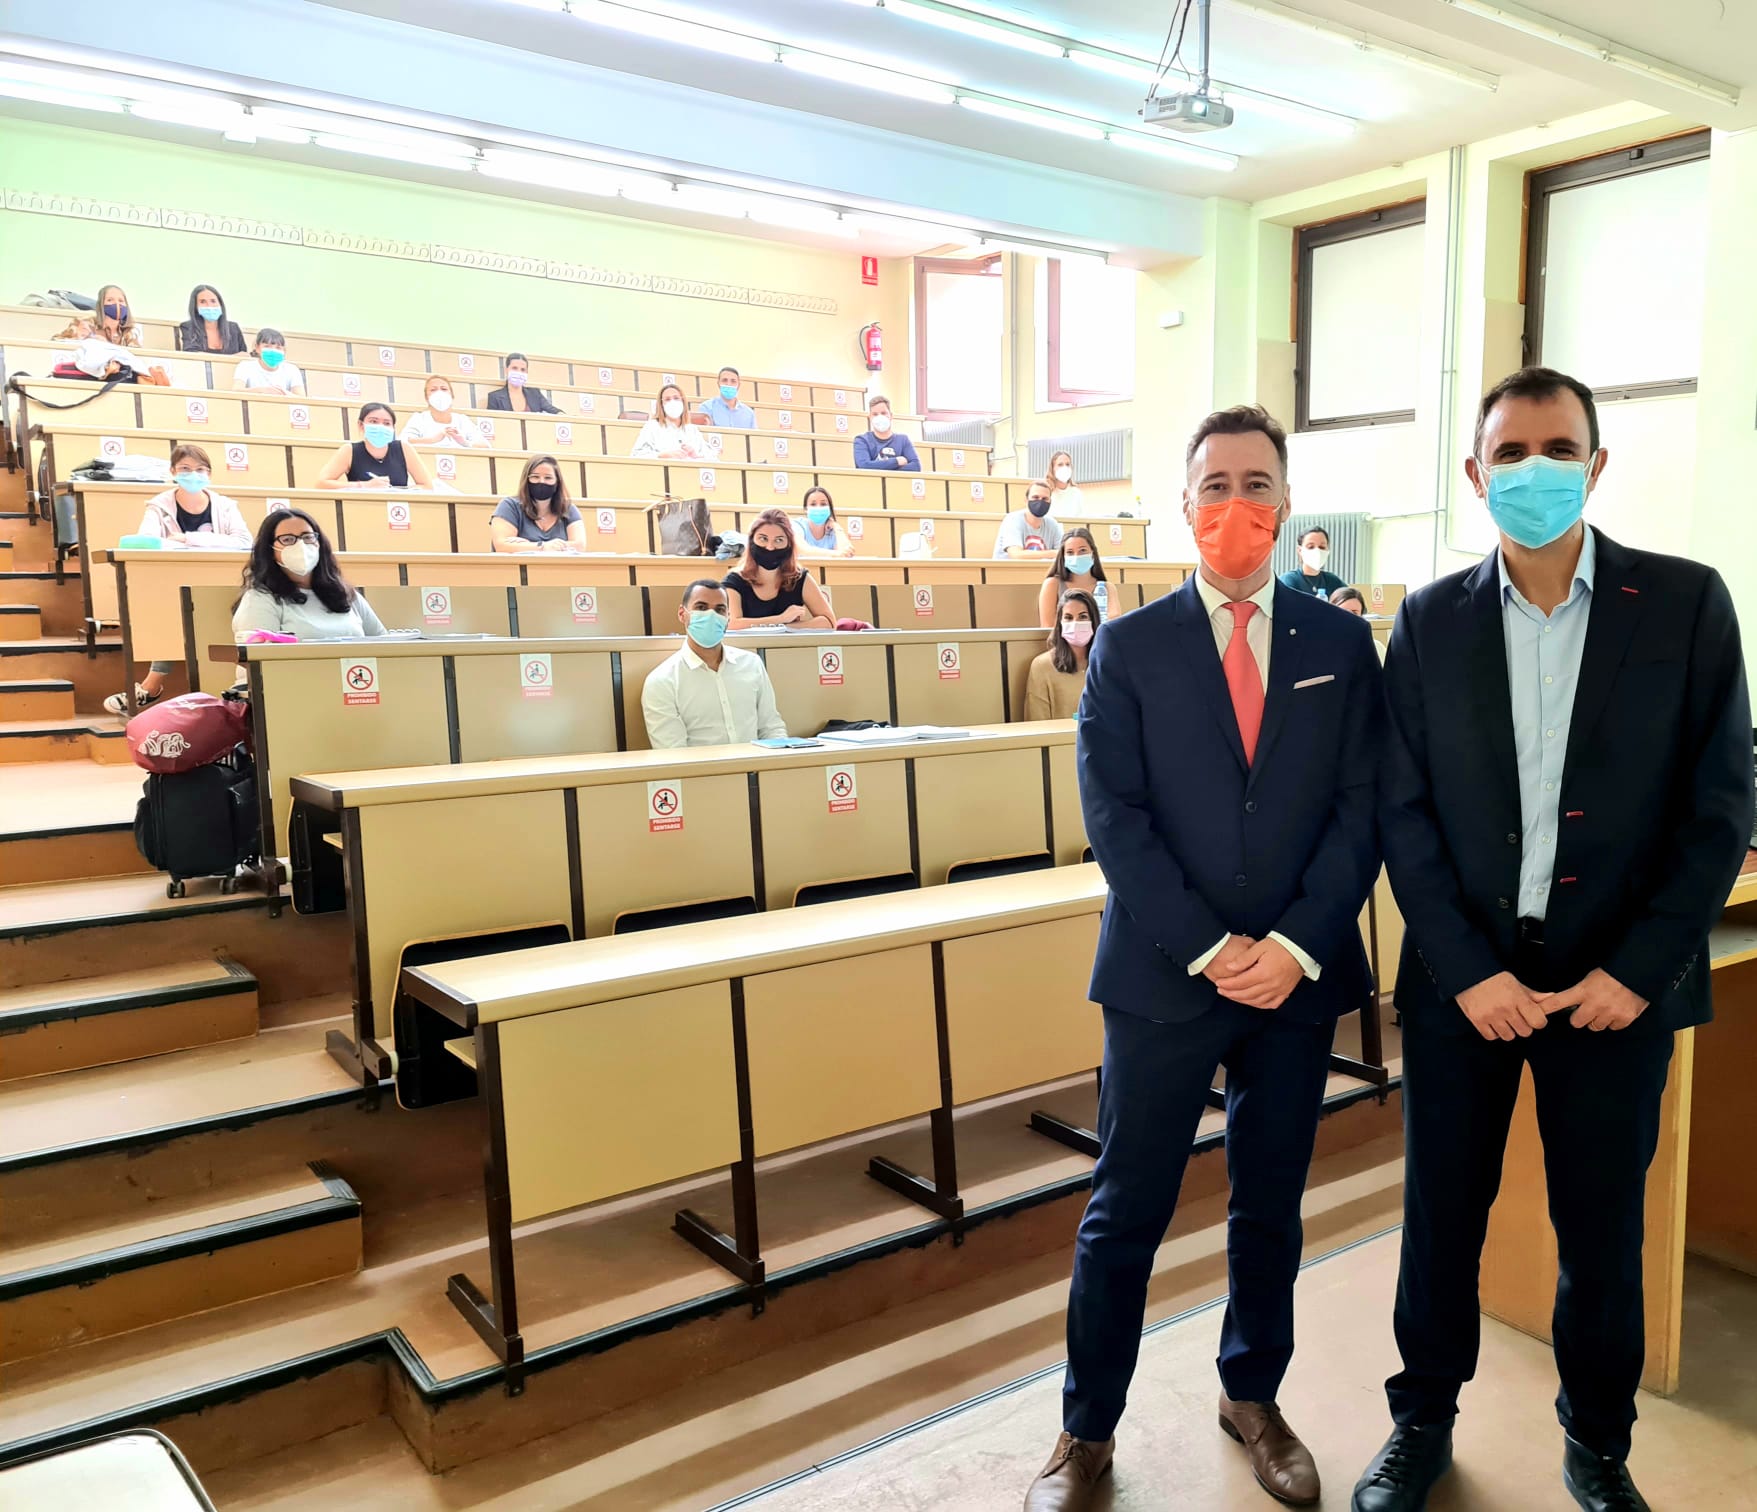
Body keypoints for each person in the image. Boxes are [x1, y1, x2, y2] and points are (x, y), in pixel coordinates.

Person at [1353, 367, 1753, 1512]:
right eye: (1509, 453)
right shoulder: (1429, 620)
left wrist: (1637, 972)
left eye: (1556, 447)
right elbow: (1402, 812)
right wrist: (1467, 970)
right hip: (1459, 987)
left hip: (1609, 990)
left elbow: (1719, 806)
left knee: (1600, 1234)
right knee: (1440, 1218)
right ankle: (1418, 1424)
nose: (1533, 470)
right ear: (1475, 476)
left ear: (1596, 461)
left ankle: (1598, 1444)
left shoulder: (1683, 603)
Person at [1026, 405, 1382, 1512]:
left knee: (1267, 1200)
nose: (1236, 503)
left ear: (1284, 504)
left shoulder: (1336, 642)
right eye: (1214, 484)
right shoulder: (1129, 649)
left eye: (1256, 483)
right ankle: (1085, 1433)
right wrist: (1211, 947)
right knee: (1124, 1207)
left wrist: (1288, 945)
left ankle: (1250, 1396)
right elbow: (1114, 816)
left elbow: (1358, 808)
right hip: (1161, 980)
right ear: (1183, 506)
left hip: (1292, 978)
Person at [102, 443, 254, 715]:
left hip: (219, 581)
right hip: (173, 582)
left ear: (209, 474)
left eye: (200, 470)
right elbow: (147, 541)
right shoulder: (159, 506)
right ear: (173, 472)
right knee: (173, 612)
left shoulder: (225, 505)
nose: (193, 475)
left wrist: (188, 539)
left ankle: (155, 688)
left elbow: (243, 541)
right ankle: (151, 687)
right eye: (185, 469)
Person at [641, 580, 788, 748]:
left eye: (719, 610)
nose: (711, 615)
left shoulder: (752, 664)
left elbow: (771, 728)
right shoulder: (662, 681)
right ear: (682, 614)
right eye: (701, 608)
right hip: (702, 774)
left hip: (757, 771)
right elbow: (674, 754)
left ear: (728, 617)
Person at [231, 507, 392, 640]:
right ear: (270, 549)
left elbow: (382, 643)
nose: (300, 545)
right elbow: (256, 659)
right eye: (288, 539)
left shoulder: (344, 593)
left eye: (307, 537)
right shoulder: (260, 598)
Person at [722, 509, 835, 630]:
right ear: (751, 541)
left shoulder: (799, 578)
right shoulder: (734, 580)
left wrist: (785, 627)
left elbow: (829, 622)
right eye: (763, 539)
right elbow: (731, 624)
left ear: (789, 544)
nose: (770, 547)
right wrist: (780, 619)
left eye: (779, 540)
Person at [315, 403, 436, 489]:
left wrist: (400, 491)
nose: (380, 427)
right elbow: (321, 484)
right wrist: (363, 486)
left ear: (393, 428)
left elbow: (427, 486)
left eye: (386, 423)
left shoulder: (404, 448)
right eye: (373, 421)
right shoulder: (349, 450)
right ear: (361, 425)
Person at [1024, 589, 1097, 720]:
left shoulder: (1107, 663)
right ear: (1060, 623)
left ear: (1094, 620)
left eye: (1083, 617)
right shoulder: (1042, 666)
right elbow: (1036, 722)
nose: (1075, 623)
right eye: (1068, 618)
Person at [490, 455, 585, 553]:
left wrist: (526, 546)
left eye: (548, 478)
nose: (542, 481)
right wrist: (543, 547)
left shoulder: (568, 508)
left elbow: (579, 546)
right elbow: (502, 546)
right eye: (535, 477)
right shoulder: (509, 506)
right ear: (526, 480)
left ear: (557, 482)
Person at [1037, 528, 1108, 627]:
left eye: (1082, 550)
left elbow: (1112, 625)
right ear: (1063, 556)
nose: (1076, 556)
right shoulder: (1052, 584)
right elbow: (1047, 627)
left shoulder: (1106, 588)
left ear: (1093, 553)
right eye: (1070, 552)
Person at [400, 375, 488, 449]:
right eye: (433, 390)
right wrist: (432, 440)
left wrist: (464, 442)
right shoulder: (419, 419)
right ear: (426, 398)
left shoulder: (462, 420)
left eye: (444, 389)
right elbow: (402, 442)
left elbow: (486, 446)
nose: (439, 393)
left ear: (452, 395)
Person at [631, 382, 709, 459]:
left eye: (676, 398)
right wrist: (662, 455)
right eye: (667, 399)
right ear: (661, 405)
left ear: (683, 401)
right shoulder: (652, 427)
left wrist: (695, 456)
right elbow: (636, 455)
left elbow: (710, 458)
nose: (673, 402)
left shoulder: (692, 430)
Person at [996, 482, 1064, 560]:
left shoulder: (1053, 524)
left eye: (1045, 499)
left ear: (1050, 502)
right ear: (1026, 500)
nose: (1040, 502)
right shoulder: (1012, 519)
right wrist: (1053, 553)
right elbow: (1016, 555)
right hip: (1009, 571)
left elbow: (1063, 554)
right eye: (1035, 497)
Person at [174, 284, 246, 355]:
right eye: (203, 302)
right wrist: (232, 358)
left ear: (220, 304)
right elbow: (191, 355)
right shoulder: (187, 327)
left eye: (213, 301)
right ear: (196, 307)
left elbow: (244, 355)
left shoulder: (233, 328)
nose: (209, 306)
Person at [1278, 526, 1347, 599]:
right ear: (1299, 550)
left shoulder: (1333, 581)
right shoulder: (1289, 580)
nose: (1317, 551)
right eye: (1311, 547)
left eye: (1322, 547)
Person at [853, 396, 920, 470]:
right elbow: (864, 465)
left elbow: (916, 466)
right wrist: (896, 461)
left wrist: (880, 467)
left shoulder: (903, 440)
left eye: (883, 413)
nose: (880, 417)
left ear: (891, 416)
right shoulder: (862, 440)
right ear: (870, 417)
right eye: (875, 414)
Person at [233, 329, 305, 395]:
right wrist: (262, 390)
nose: (273, 351)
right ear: (257, 348)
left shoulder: (292, 369)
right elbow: (236, 390)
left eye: (278, 348)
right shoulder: (245, 366)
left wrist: (283, 393)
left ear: (284, 350)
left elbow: (301, 397)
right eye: (267, 346)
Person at [485, 352, 561, 414]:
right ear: (506, 370)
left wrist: (562, 414)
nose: (519, 372)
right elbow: (493, 422)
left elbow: (552, 410)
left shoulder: (535, 393)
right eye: (514, 368)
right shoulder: (494, 397)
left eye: (523, 370)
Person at [794, 486, 854, 558]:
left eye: (823, 504)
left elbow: (847, 553)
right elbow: (803, 550)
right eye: (813, 504)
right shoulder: (798, 525)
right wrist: (836, 554)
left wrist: (836, 527)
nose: (818, 507)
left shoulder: (832, 530)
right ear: (805, 509)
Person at [1044, 450, 1085, 515]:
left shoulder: (1076, 493)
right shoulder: (1045, 492)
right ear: (1052, 468)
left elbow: (1082, 518)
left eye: (1067, 464)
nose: (1064, 467)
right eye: (1060, 464)